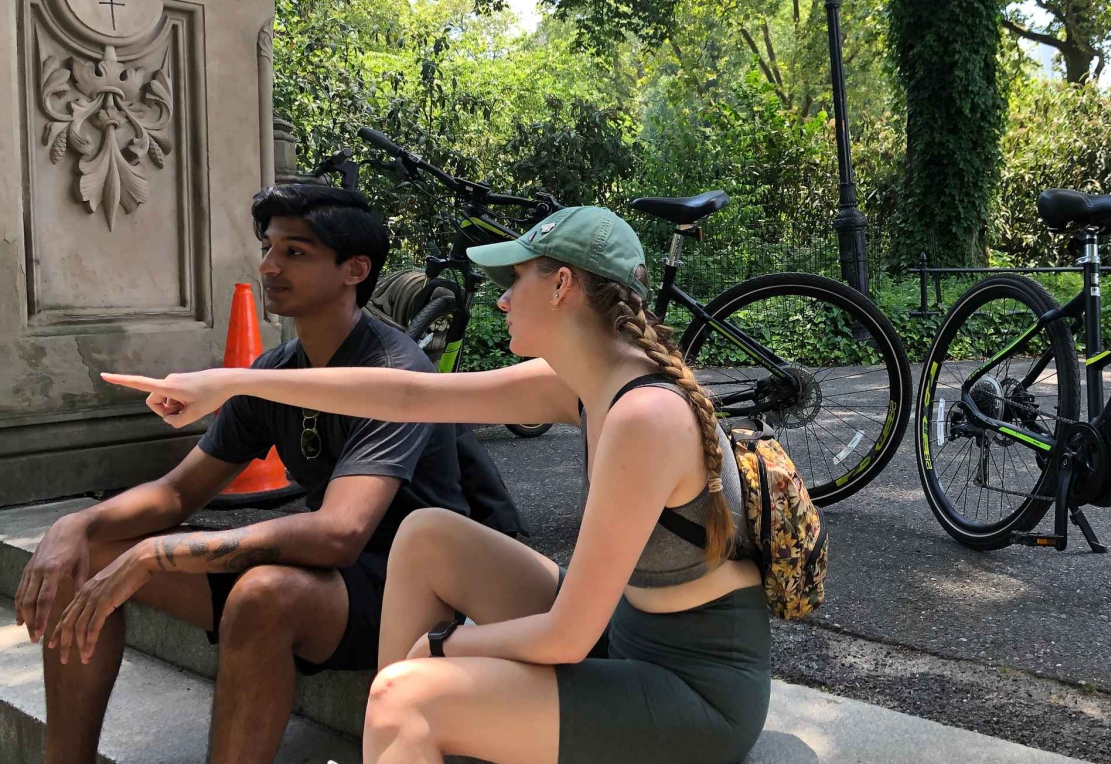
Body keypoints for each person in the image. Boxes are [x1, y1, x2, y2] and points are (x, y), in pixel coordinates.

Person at [106, 206, 772, 764]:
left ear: (563, 284)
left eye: (515, 280)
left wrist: (445, 647)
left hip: (693, 692)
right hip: (626, 638)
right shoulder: (588, 380)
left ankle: (405, 715)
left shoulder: (642, 415)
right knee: (427, 536)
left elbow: (566, 637)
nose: (503, 298)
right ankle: (400, 734)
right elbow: (405, 393)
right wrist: (231, 382)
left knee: (408, 690)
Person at [20, 184, 524, 764]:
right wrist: (75, 525)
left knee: (265, 595)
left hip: (410, 585)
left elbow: (340, 534)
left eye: (295, 252)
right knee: (82, 556)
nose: (268, 267)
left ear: (353, 270)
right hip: (330, 579)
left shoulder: (392, 369)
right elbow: (178, 491)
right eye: (268, 248)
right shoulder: (276, 370)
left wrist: (158, 554)